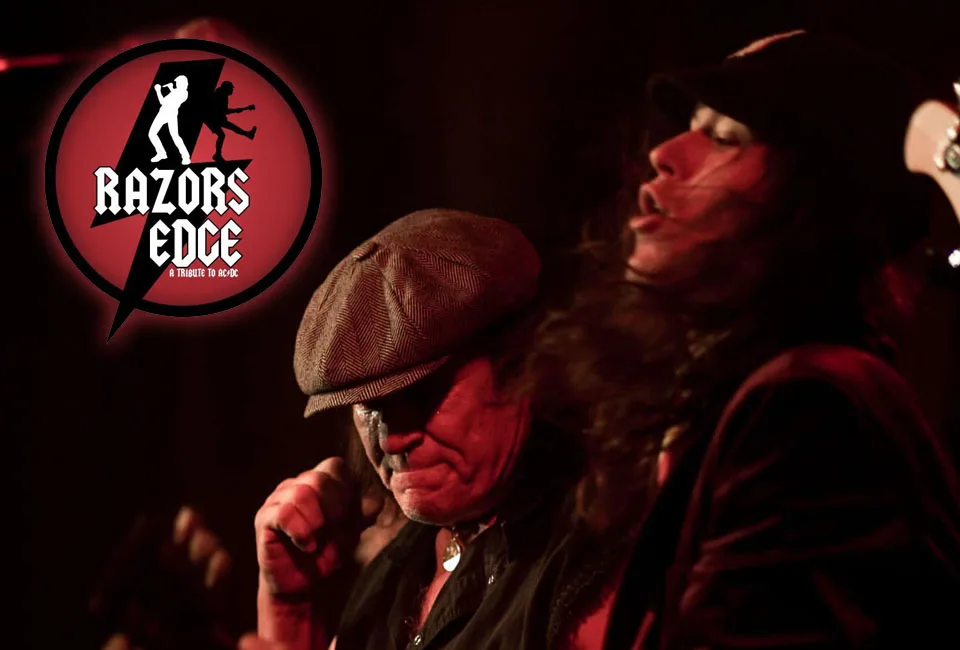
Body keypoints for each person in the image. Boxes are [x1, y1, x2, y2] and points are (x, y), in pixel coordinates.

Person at [525, 30, 960, 648]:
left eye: (726, 137)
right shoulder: (754, 398)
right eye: (691, 127)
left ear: (817, 199)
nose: (665, 153)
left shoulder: (809, 408)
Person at [253, 209, 619, 650]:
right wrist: (292, 608)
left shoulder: (592, 546)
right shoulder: (396, 568)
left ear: (526, 364)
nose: (391, 439)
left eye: (424, 396)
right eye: (371, 406)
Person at [148, 75, 191, 165]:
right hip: (163, 113)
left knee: (175, 136)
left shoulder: (183, 93)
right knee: (152, 133)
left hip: (170, 114)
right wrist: (171, 88)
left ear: (184, 84)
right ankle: (161, 153)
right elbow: (174, 93)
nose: (176, 84)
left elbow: (163, 102)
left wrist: (158, 90)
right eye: (176, 83)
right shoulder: (178, 91)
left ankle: (186, 157)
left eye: (178, 83)